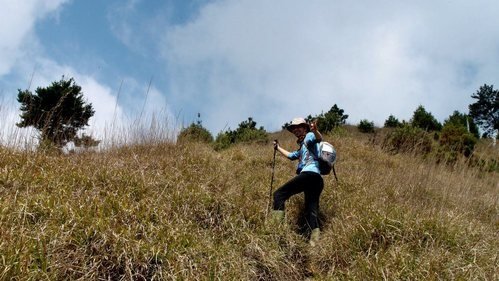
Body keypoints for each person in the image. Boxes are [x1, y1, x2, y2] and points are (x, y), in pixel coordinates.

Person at [272, 117, 324, 246]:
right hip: (317, 179)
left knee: (279, 195)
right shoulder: (302, 148)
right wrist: (278, 148)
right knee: (311, 209)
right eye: (294, 128)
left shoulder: (310, 136)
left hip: (309, 174)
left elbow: (319, 138)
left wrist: (315, 130)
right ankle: (314, 243)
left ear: (305, 128)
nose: (296, 130)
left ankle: (274, 231)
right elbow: (291, 156)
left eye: (299, 127)